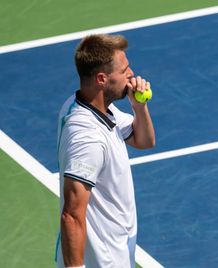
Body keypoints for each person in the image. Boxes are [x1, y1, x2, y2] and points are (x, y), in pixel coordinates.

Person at [55, 34, 156, 268]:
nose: (131, 75)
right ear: (102, 78)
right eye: (124, 71)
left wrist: (139, 107)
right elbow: (71, 214)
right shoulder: (87, 136)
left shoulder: (92, 107)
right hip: (102, 261)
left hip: (116, 252)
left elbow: (145, 141)